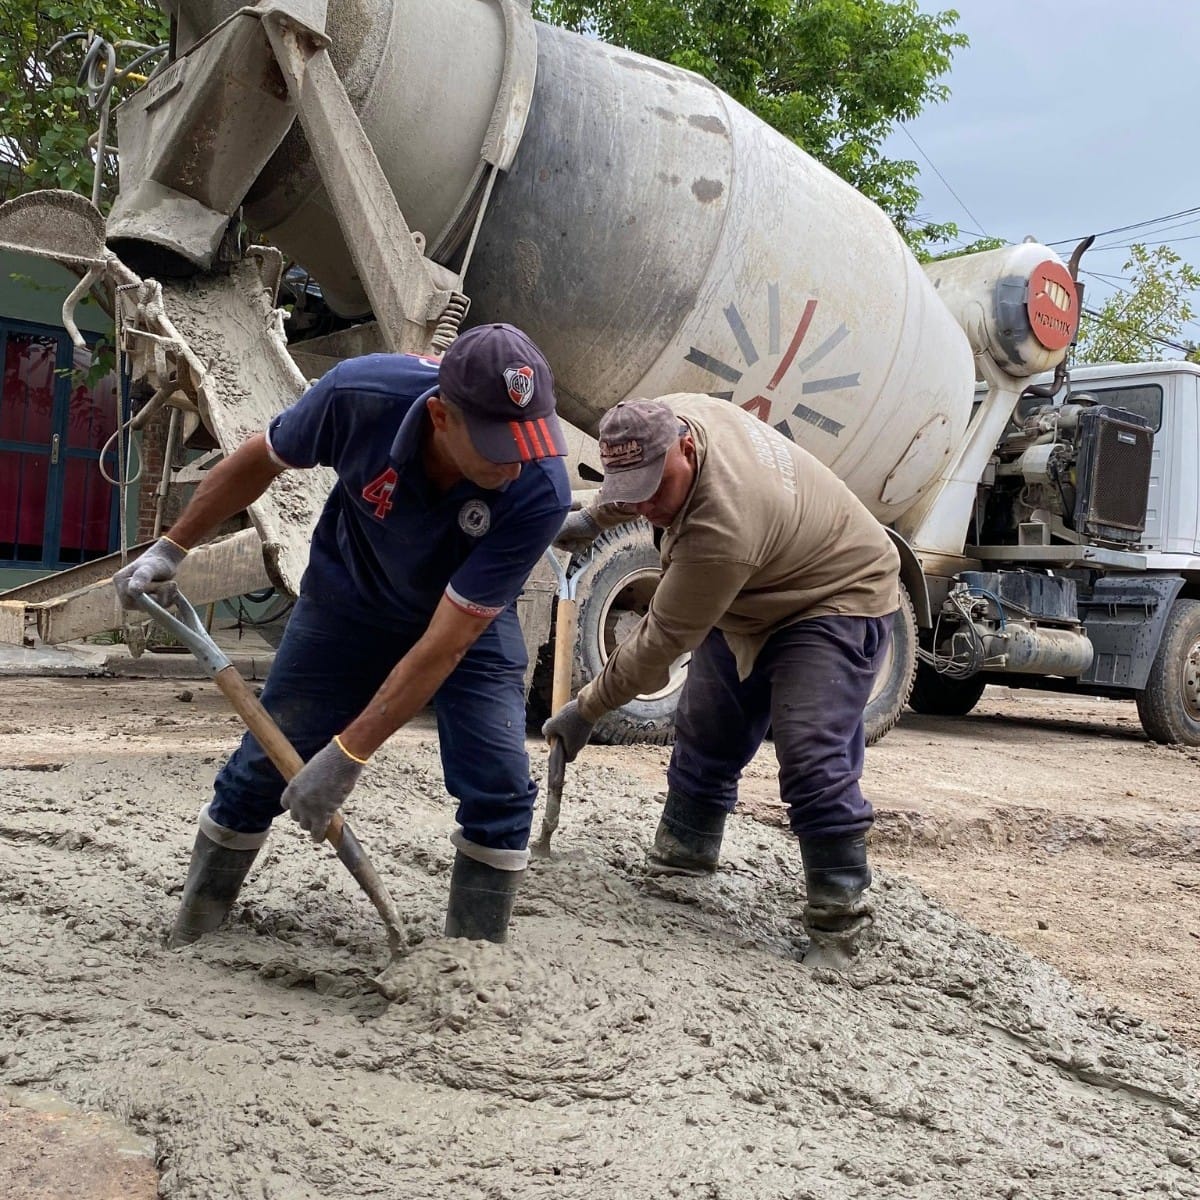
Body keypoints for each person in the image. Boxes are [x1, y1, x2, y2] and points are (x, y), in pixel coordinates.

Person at [115, 324, 570, 947]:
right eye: (497, 445)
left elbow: (445, 643)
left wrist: (348, 756)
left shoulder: (539, 487)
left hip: (463, 625)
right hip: (347, 604)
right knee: (260, 769)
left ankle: (473, 961)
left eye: (528, 439)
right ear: (441, 416)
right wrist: (173, 547)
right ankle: (196, 929)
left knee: (499, 781)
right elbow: (257, 460)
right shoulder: (359, 397)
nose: (516, 459)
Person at [545, 395, 899, 962]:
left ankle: (840, 921)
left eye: (658, 488)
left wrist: (586, 708)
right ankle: (684, 858)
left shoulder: (720, 522)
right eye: (633, 493)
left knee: (810, 749)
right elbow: (637, 484)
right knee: (707, 722)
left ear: (685, 447)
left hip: (836, 592)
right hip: (756, 580)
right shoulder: (671, 415)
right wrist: (593, 518)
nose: (651, 508)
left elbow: (660, 641)